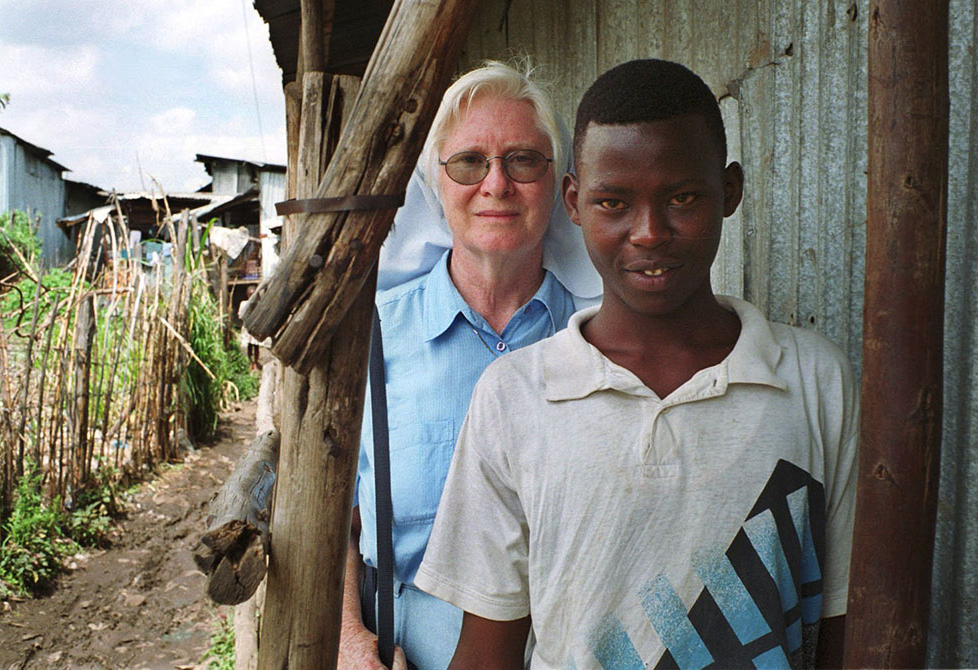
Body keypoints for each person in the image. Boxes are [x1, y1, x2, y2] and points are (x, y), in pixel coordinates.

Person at [415, 59, 859, 669]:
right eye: (613, 202)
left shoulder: (815, 385)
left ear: (729, 191)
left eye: (681, 197)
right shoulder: (516, 396)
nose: (648, 232)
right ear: (574, 201)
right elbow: (485, 653)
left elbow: (849, 631)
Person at [339, 60, 601, 670]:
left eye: (523, 160)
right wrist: (350, 640)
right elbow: (334, 515)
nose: (496, 184)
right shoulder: (375, 337)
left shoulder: (595, 339)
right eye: (468, 162)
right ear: (435, 183)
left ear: (560, 184)